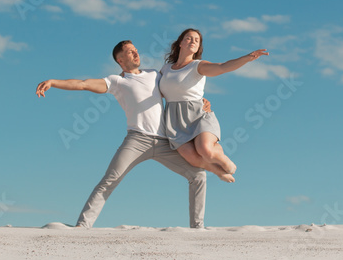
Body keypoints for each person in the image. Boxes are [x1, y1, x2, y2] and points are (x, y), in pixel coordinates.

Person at [35, 40, 212, 228]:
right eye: (130, 52)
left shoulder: (155, 75)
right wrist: (53, 82)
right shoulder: (116, 81)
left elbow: (180, 90)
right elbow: (82, 84)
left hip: (166, 142)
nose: (136, 54)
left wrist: (201, 101)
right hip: (137, 140)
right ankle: (83, 226)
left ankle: (197, 228)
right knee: (109, 180)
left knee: (198, 175)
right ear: (120, 60)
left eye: (136, 50)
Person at [158, 28, 267, 182]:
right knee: (192, 158)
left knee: (206, 151)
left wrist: (247, 58)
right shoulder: (166, 69)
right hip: (175, 120)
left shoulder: (198, 66)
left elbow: (223, 67)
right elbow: (150, 85)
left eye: (196, 40)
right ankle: (218, 171)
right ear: (180, 43)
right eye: (189, 38)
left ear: (198, 48)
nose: (193, 41)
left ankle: (221, 157)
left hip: (197, 114)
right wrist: (127, 75)